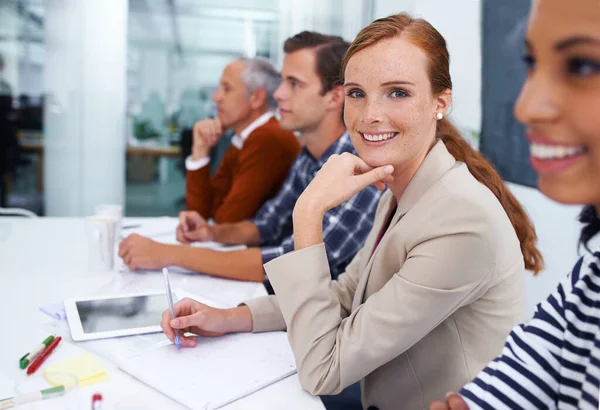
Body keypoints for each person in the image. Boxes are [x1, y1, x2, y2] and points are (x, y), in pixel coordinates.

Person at [158, 13, 544, 410]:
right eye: (357, 93)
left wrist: (308, 211)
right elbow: (345, 294)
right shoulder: (399, 189)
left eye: (397, 92)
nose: (370, 114)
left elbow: (322, 370)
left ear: (440, 103)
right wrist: (228, 317)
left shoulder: (460, 221)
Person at [429, 0, 600, 409]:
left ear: (439, 105)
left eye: (581, 66)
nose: (525, 106)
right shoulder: (590, 276)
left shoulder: (458, 206)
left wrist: (308, 215)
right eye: (531, 62)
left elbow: (333, 357)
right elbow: (517, 378)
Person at [119, 32, 383, 282]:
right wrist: (211, 232)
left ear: (335, 97)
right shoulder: (308, 156)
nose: (278, 93)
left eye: (294, 84)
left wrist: (169, 255)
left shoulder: (358, 166)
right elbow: (268, 223)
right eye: (282, 82)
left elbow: (292, 264)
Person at [185, 57, 300, 223]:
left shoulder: (268, 139)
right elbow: (201, 213)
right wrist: (200, 151)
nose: (216, 97)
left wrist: (215, 212)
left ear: (256, 98)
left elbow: (227, 221)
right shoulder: (245, 137)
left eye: (227, 88)